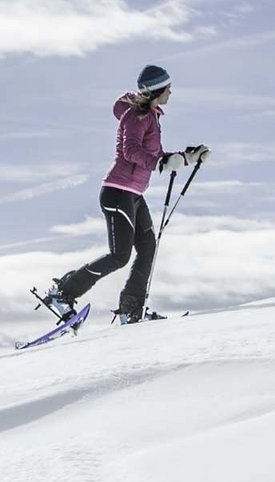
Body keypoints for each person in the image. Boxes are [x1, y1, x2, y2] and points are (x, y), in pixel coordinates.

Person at [42, 65, 207, 325]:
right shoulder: (137, 116)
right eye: (168, 89)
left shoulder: (150, 116)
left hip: (134, 195)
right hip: (118, 192)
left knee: (147, 247)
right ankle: (63, 292)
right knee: (120, 256)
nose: (171, 93)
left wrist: (187, 157)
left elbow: (152, 155)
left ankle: (131, 310)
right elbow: (131, 151)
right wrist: (161, 164)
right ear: (157, 90)